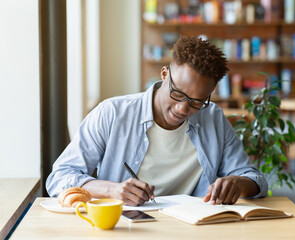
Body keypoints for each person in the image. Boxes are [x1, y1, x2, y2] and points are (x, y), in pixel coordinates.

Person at [46, 36, 268, 206]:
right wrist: (111, 190)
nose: (183, 108)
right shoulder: (112, 113)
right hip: (125, 229)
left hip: (193, 230)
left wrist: (238, 184)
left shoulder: (214, 118)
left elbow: (255, 178)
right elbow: (59, 178)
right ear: (164, 75)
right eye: (178, 93)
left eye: (197, 101)